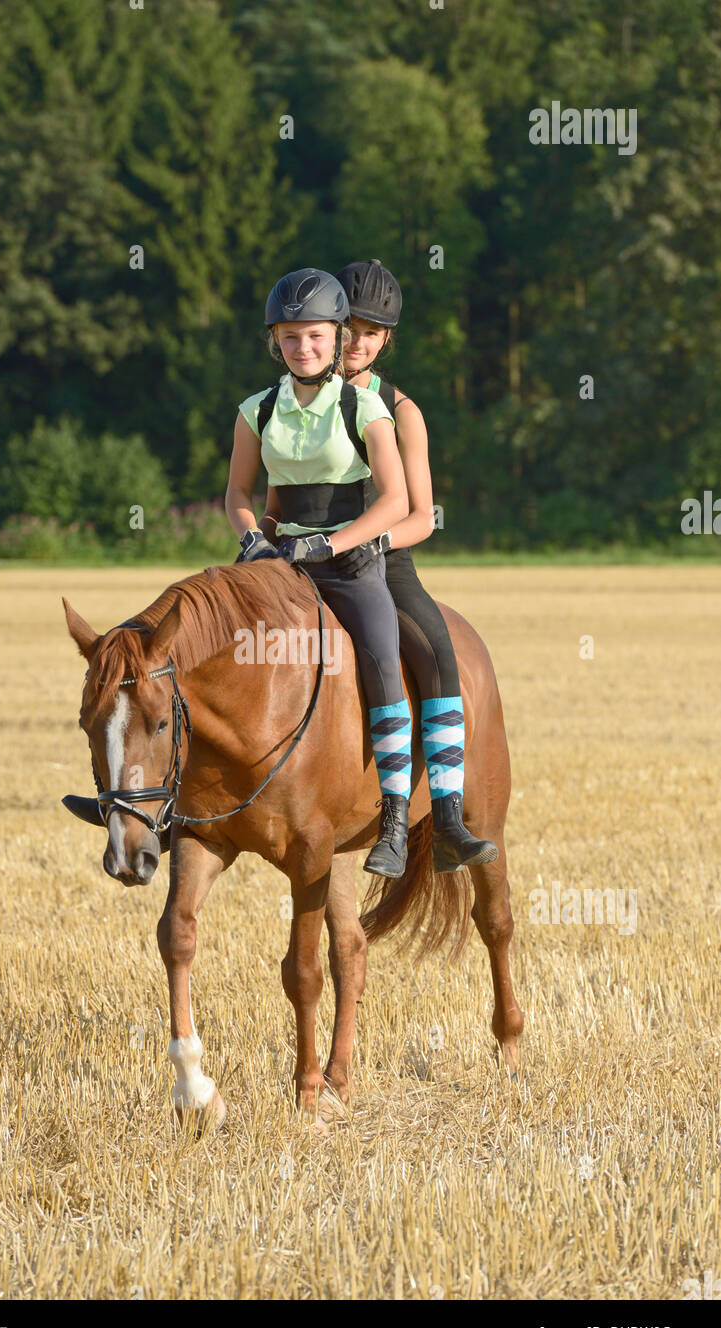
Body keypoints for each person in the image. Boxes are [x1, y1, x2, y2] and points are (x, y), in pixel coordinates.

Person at [259, 259, 497, 871]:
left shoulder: (401, 410)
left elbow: (420, 516)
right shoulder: (296, 400)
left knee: (438, 656)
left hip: (381, 564)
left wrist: (370, 545)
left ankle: (444, 816)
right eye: (352, 327)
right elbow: (274, 496)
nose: (357, 342)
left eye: (372, 332)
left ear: (386, 339)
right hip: (298, 558)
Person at [226, 267, 415, 877]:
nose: (301, 348)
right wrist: (252, 538)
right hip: (278, 561)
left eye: (313, 336)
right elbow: (236, 493)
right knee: (207, 640)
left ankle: (393, 820)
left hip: (352, 564)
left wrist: (331, 545)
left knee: (385, 659)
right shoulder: (256, 410)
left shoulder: (367, 407)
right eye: (288, 338)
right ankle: (182, 798)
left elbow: (393, 502)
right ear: (274, 343)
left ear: (336, 337)